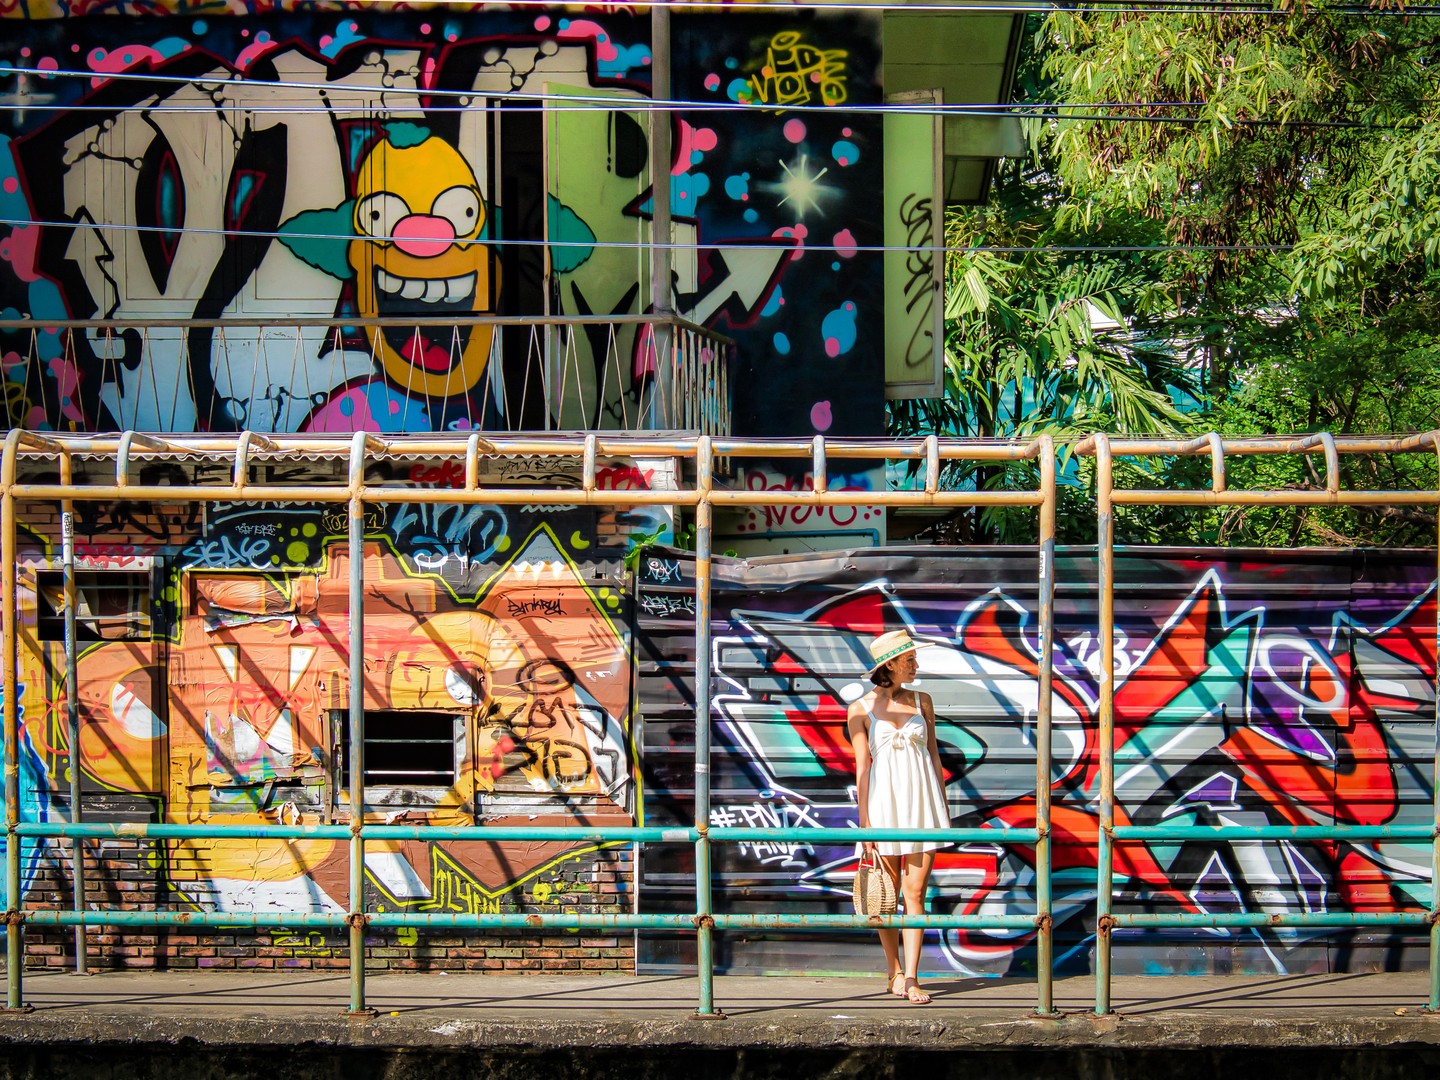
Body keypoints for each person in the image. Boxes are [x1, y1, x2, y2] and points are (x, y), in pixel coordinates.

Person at [846, 629, 950, 1005]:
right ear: (889, 664)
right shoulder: (858, 709)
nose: (916, 666)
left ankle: (912, 977)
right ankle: (893, 970)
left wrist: (943, 803)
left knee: (915, 892)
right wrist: (866, 823)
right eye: (910, 660)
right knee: (885, 897)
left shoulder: (923, 701)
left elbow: (935, 755)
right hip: (883, 806)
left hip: (922, 804)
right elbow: (862, 768)